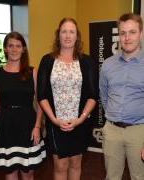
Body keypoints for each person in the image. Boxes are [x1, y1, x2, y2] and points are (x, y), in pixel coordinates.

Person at [37, 17, 97, 180]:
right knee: (60, 165)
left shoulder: (87, 61)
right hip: (56, 123)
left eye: (72, 32)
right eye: (64, 31)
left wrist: (80, 119)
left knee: (76, 163)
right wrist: (54, 120)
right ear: (58, 35)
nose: (68, 35)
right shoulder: (47, 60)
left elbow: (93, 95)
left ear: (77, 36)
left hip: (80, 123)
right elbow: (41, 94)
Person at [0, 32, 46, 180]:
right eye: (10, 46)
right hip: (5, 126)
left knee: (28, 172)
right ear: (5, 49)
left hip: (28, 125)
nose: (14, 49)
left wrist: (37, 126)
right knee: (10, 171)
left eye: (18, 46)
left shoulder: (32, 72)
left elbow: (41, 102)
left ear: (23, 49)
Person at [100, 13, 144, 180]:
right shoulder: (108, 64)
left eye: (132, 32)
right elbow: (104, 95)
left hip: (140, 132)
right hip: (112, 131)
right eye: (123, 33)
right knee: (111, 177)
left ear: (141, 33)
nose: (127, 37)